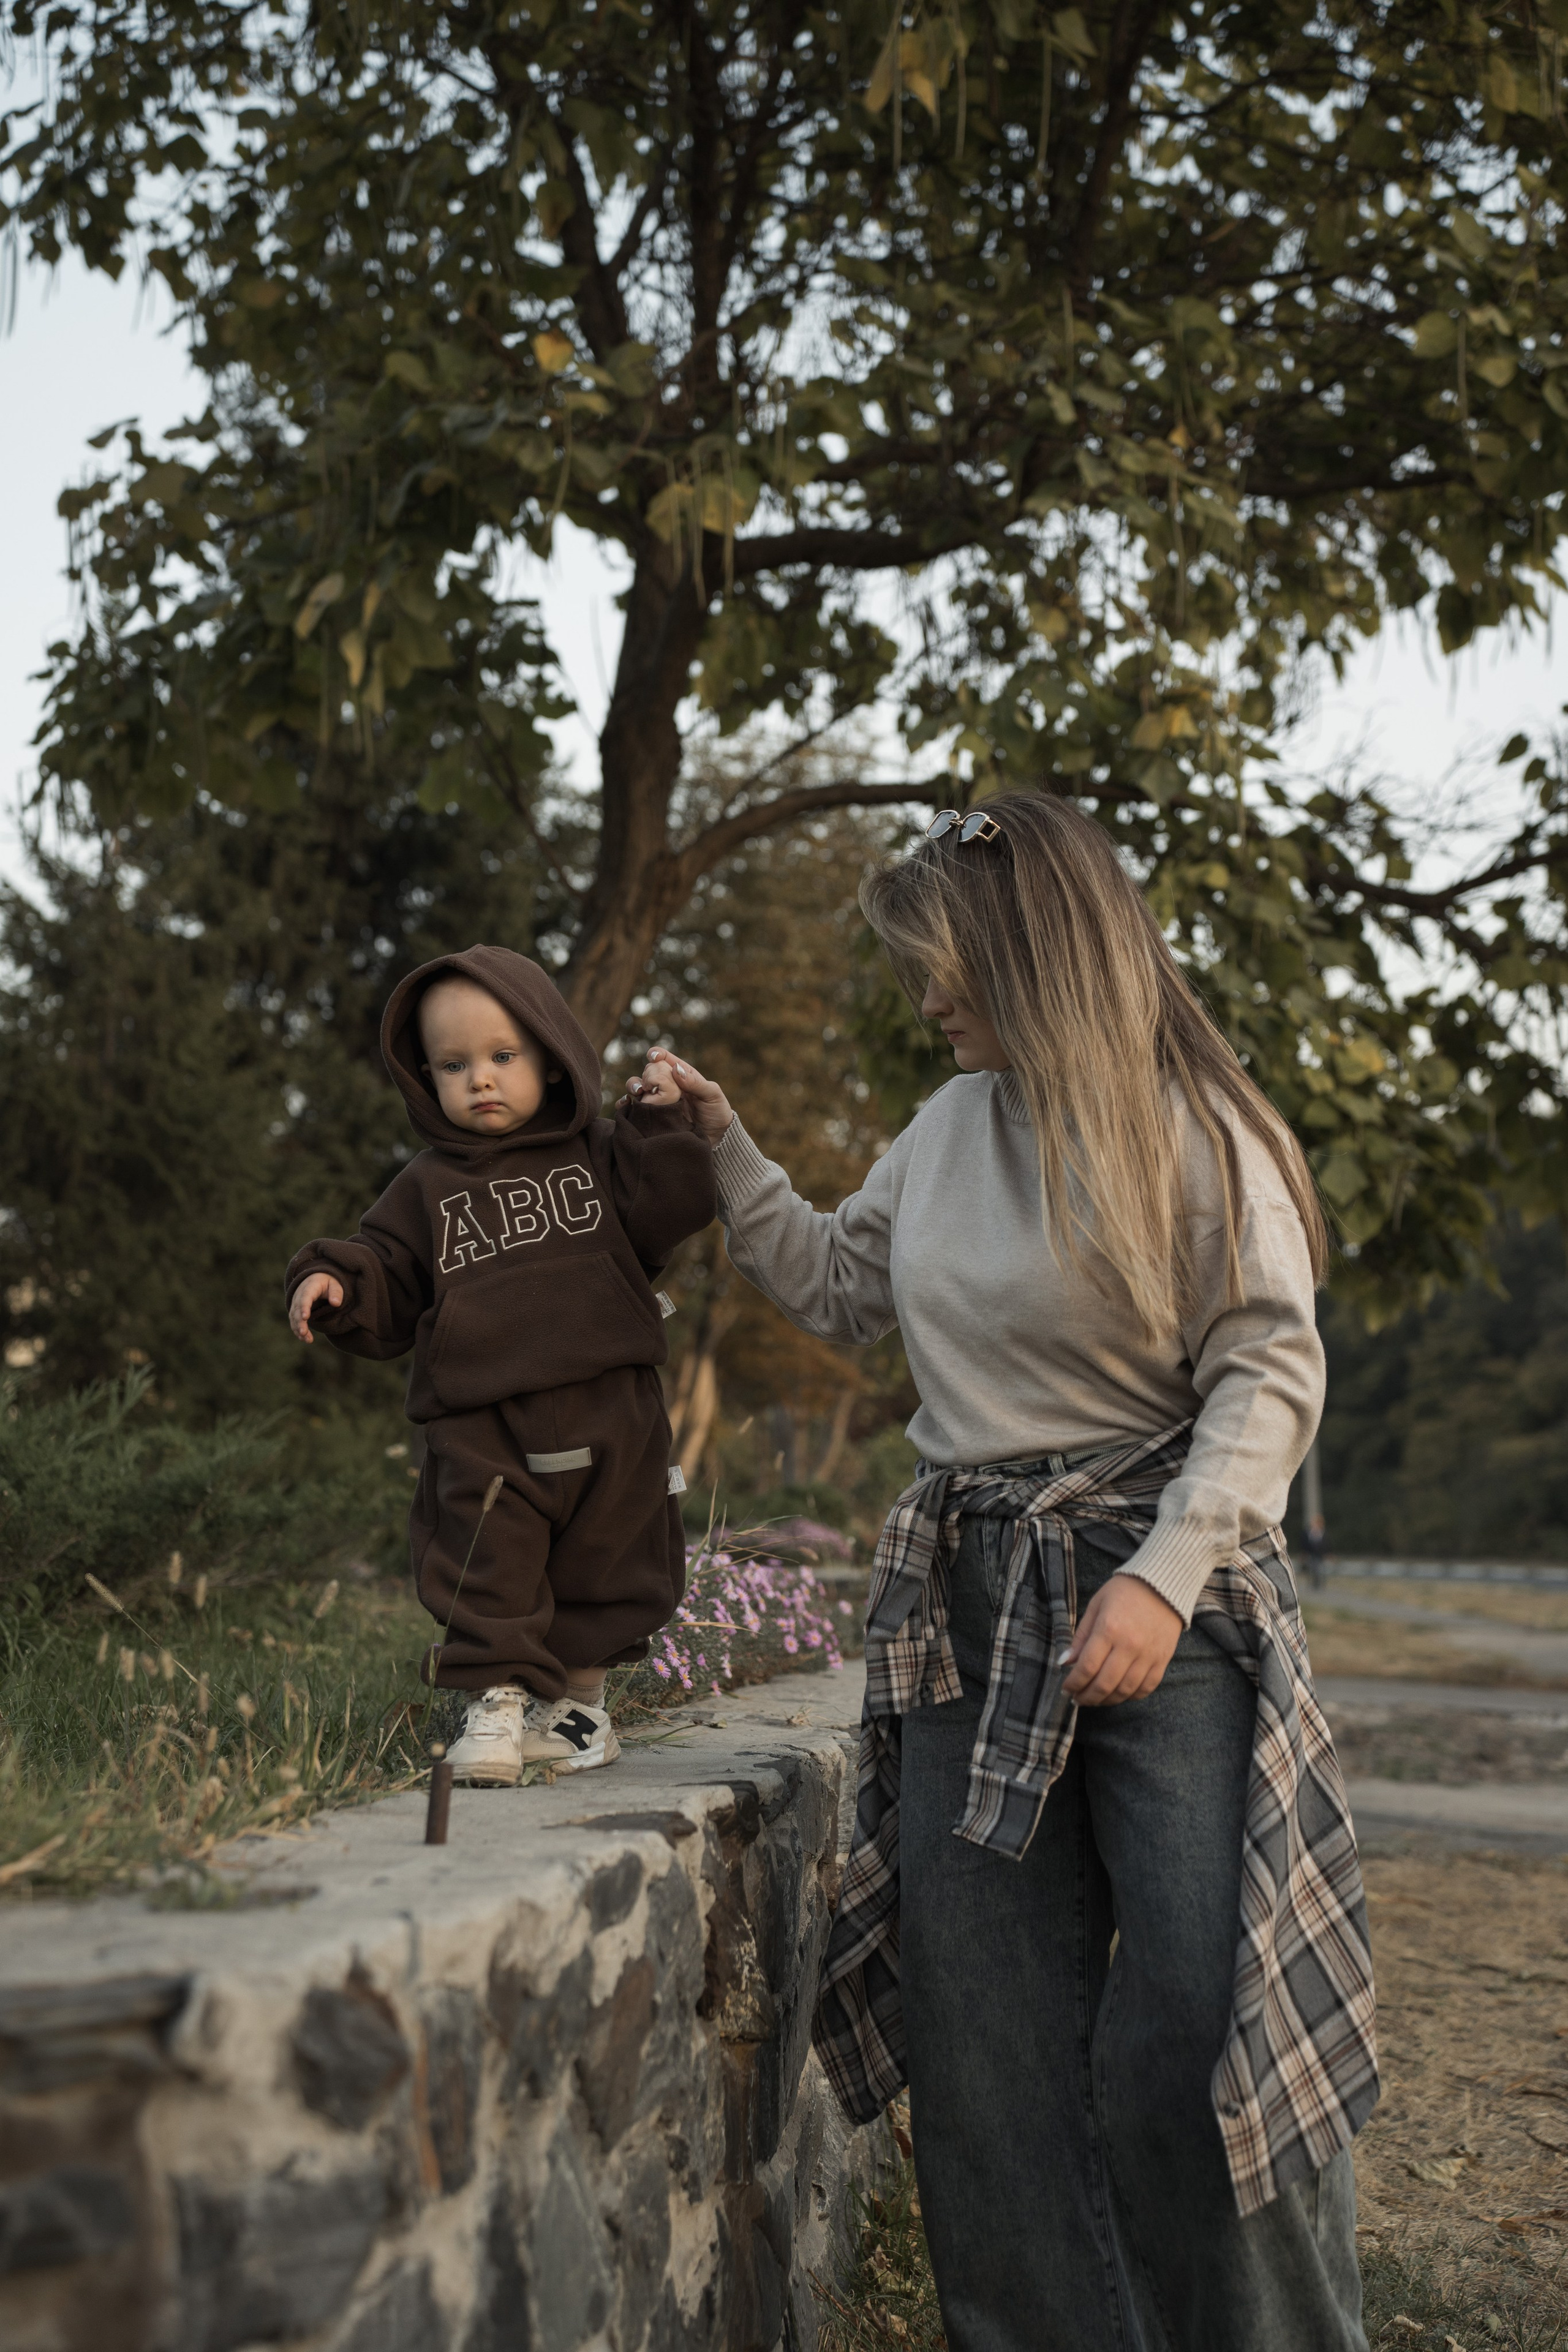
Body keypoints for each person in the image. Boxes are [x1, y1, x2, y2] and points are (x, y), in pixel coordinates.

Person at [634, 797, 1376, 2352]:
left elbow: (1267, 1372)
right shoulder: (945, 1124)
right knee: (987, 2048)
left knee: (1194, 2036)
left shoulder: (1195, 1127)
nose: (923, 998)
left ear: (1037, 954)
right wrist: (724, 1146)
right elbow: (840, 1283)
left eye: (942, 966)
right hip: (970, 1606)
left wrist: (1166, 1575)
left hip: (1156, 1601)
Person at [285, 946, 715, 1782]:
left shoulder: (599, 1152)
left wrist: (661, 1122)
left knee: (610, 1559)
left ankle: (580, 1709)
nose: (480, 1079)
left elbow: (675, 1205)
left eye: (502, 1057)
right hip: (484, 1422)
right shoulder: (426, 1185)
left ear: (552, 1059)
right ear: (425, 1079)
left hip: (610, 1407)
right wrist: (335, 1280)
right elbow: (388, 1267)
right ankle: (493, 1705)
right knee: (485, 1558)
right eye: (453, 1064)